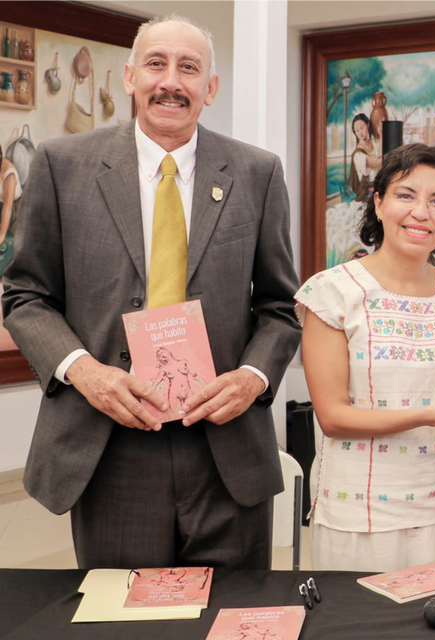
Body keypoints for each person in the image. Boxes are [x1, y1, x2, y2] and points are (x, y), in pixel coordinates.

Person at [0, 15, 300, 569]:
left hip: (225, 449)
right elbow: (24, 295)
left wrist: (252, 377)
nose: (171, 82)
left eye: (189, 68)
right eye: (157, 64)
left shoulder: (257, 173)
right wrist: (85, 372)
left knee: (232, 617)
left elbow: (280, 307)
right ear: (130, 77)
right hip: (110, 445)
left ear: (211, 87)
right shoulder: (63, 165)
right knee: (120, 616)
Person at [296, 143, 435, 572]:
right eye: (406, 195)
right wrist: (433, 415)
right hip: (360, 516)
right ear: (378, 202)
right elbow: (333, 417)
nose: (421, 212)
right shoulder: (333, 292)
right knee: (363, 618)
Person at [348, 112, 381, 202]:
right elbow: (379, 161)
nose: (360, 133)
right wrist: (382, 135)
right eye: (357, 130)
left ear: (368, 125)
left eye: (362, 128)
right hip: (368, 192)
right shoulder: (358, 155)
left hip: (381, 185)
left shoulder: (375, 142)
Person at [0, 140, 21, 277]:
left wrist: (2, 235)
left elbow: (7, 207)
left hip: (13, 212)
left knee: (7, 245)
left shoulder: (9, 173)